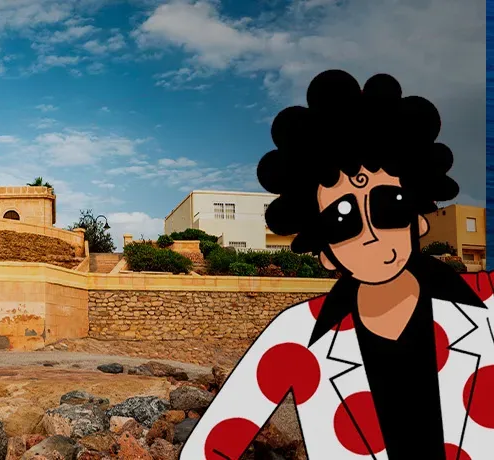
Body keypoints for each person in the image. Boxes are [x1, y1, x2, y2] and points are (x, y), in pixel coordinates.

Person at [181, 69, 492, 459]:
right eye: (343, 221)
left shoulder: (488, 306)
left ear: (419, 217)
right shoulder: (295, 338)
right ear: (325, 252)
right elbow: (209, 447)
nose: (372, 233)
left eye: (389, 206)